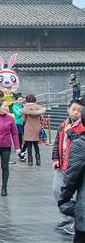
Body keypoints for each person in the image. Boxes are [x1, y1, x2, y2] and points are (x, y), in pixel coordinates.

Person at [53, 100, 84, 235]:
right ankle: (66, 218)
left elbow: (79, 143)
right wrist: (55, 158)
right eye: (73, 109)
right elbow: (57, 142)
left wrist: (71, 133)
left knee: (76, 194)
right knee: (57, 190)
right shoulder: (63, 125)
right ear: (68, 110)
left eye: (79, 110)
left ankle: (75, 220)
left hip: (74, 166)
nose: (76, 113)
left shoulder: (82, 127)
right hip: (61, 164)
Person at [21, 94, 46, 166]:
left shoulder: (25, 108)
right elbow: (42, 117)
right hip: (37, 127)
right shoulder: (38, 107)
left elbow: (23, 120)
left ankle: (30, 161)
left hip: (28, 128)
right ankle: (38, 160)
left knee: (29, 145)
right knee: (36, 145)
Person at [11, 95, 26, 161]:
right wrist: (23, 111)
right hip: (18, 124)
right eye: (19, 100)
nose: (21, 101)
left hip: (24, 123)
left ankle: (23, 151)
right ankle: (20, 153)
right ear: (16, 100)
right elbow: (18, 115)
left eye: (21, 100)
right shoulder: (14, 106)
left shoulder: (23, 106)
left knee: (26, 138)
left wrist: (21, 111)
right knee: (19, 138)